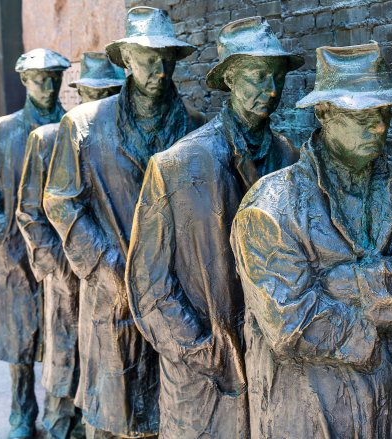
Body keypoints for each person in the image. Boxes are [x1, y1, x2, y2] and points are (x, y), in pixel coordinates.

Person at [230, 41, 392, 438]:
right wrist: (381, 323)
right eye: (362, 116)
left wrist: (354, 283)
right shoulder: (271, 206)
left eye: (383, 113)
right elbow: (292, 323)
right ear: (324, 114)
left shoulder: (391, 191)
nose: (379, 127)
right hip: (312, 410)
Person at [125, 16, 303, 439]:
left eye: (276, 78)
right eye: (259, 77)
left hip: (274, 368)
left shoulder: (290, 161)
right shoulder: (178, 164)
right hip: (200, 372)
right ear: (228, 79)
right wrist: (202, 349)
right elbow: (148, 281)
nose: (272, 91)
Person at [43, 7, 203, 438]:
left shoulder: (195, 130)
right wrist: (107, 264)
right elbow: (61, 202)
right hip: (110, 292)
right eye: (148, 58)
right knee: (110, 417)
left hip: (175, 297)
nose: (159, 68)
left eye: (167, 58)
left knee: (168, 412)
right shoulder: (83, 126)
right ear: (126, 60)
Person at [16, 51, 125, 439]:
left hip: (107, 277)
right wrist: (60, 270)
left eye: (111, 91)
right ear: (79, 93)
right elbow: (30, 212)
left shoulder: (120, 141)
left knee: (102, 369)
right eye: (94, 92)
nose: (103, 100)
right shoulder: (50, 138)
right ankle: (59, 425)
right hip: (68, 276)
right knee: (64, 360)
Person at [0, 48, 70, 439]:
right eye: (39, 79)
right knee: (20, 340)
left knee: (61, 337)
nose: (47, 86)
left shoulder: (73, 126)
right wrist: (4, 243)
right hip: (14, 254)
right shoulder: (1, 131)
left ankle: (59, 413)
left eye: (54, 78)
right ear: (23, 80)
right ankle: (21, 412)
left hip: (62, 253)